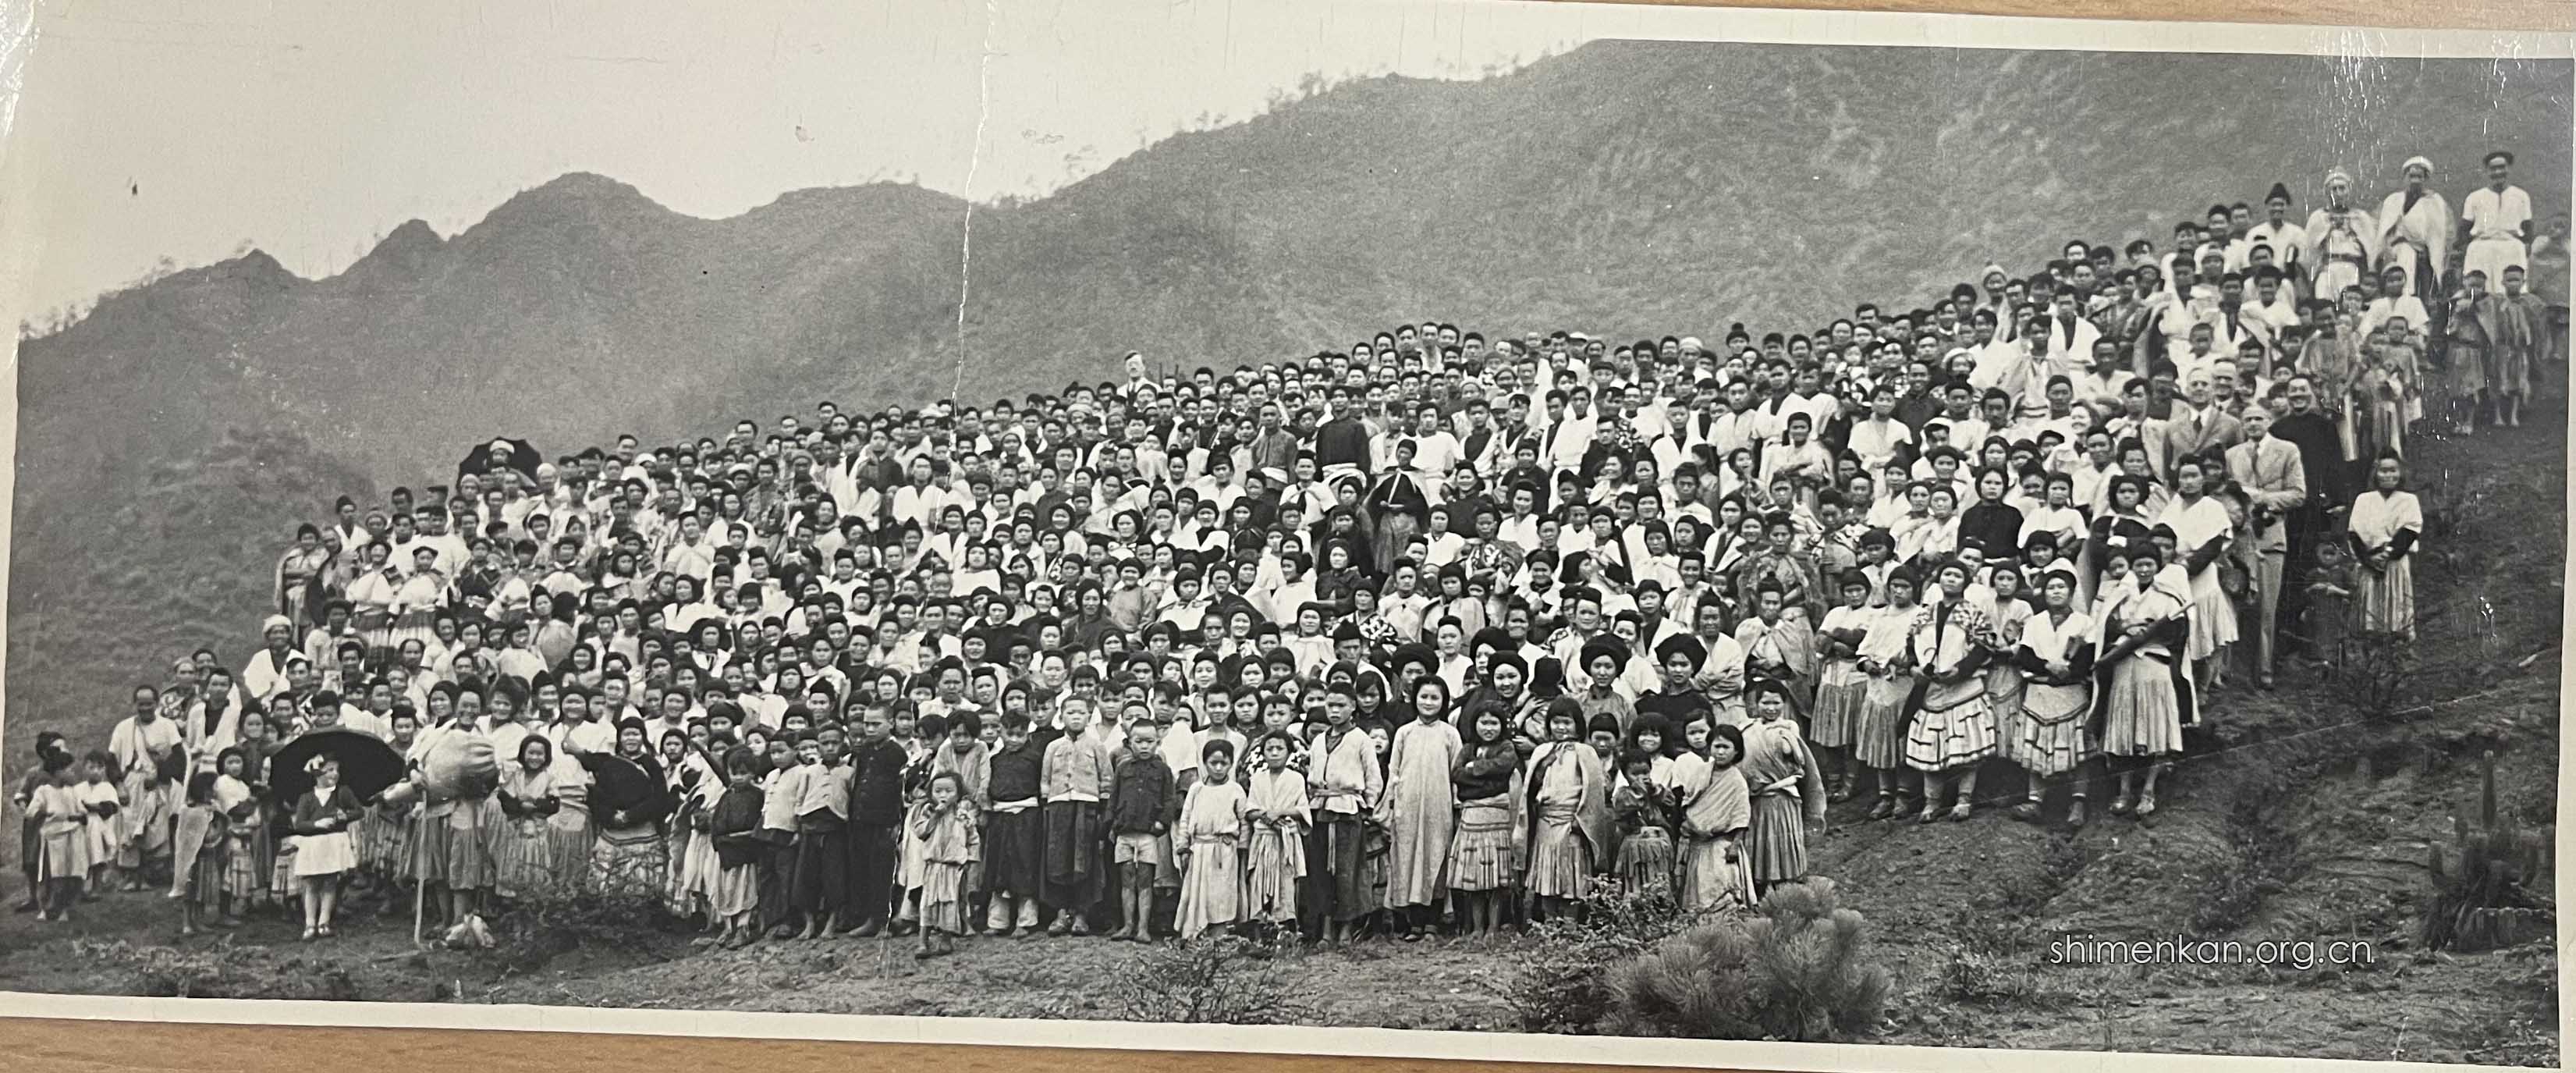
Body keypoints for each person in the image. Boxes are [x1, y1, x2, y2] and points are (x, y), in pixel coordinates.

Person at [2092, 527, 2192, 817]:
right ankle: (2124, 791)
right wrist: (2126, 627)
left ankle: (2148, 791)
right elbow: (2105, 627)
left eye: (2149, 564)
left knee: (2156, 728)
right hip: (2125, 666)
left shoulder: (2169, 596)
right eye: (2139, 565)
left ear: (2157, 566)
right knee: (2124, 727)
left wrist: (2152, 631)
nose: (2144, 569)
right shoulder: (2121, 595)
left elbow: (2179, 633)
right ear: (2132, 567)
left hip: (2154, 665)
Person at [2011, 567, 2097, 825]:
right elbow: (2025, 655)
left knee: (2077, 749)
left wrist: (2069, 670)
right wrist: (2048, 666)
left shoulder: (2084, 622)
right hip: (2040, 691)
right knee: (2037, 746)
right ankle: (2035, 801)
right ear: (2044, 593)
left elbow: (2089, 657)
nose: (2056, 592)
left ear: (2070, 593)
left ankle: (2078, 803)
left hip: (2071, 692)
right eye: (2051, 587)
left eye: (2061, 587)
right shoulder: (2035, 622)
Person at [1381, 676, 1460, 939]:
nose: (1428, 702)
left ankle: (1433, 923)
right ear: (1414, 699)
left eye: (1434, 698)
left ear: (1443, 702)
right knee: (1408, 859)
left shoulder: (1450, 734)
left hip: (1439, 808)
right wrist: (1392, 806)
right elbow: (1394, 772)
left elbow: (1456, 773)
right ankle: (1414, 922)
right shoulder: (1404, 733)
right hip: (1409, 807)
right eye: (1423, 697)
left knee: (1436, 858)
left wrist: (1456, 805)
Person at [1520, 698, 1608, 921]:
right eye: (1556, 722)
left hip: (1572, 823)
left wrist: (1582, 820)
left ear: (1578, 725)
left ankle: (1570, 925)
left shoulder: (1586, 753)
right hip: (1546, 822)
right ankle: (1549, 924)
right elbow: (1531, 788)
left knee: (1572, 879)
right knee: (1547, 877)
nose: (1561, 727)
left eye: (1567, 722)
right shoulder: (1542, 751)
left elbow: (1594, 793)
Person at [1739, 680, 1825, 894]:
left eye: (1776, 703)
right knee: (1761, 845)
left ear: (1784, 704)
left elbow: (1799, 760)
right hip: (1758, 799)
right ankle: (1759, 892)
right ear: (1756, 703)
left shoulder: (1789, 727)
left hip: (1784, 798)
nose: (1771, 708)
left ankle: (1786, 892)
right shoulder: (1747, 729)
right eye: (1765, 703)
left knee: (1784, 843)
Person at [1445, 709, 1519, 936]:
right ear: (1474, 724)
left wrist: (1475, 769)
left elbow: (1504, 767)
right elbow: (1456, 774)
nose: (1488, 728)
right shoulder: (1468, 748)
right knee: (1474, 875)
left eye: (1494, 723)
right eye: (1483, 722)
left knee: (1497, 877)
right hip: (1473, 818)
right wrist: (1488, 782)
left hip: (1497, 818)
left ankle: (1493, 927)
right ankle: (1477, 928)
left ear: (1502, 725)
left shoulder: (1506, 747)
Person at [1106, 719, 1173, 943]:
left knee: (1145, 881)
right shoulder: (1123, 768)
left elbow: (1169, 799)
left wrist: (1161, 823)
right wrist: (1111, 825)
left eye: (1149, 741)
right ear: (1129, 742)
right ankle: (1127, 925)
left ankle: (1143, 928)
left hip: (1148, 835)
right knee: (1126, 881)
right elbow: (1113, 798)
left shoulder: (1163, 770)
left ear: (1158, 742)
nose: (1144, 746)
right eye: (1139, 741)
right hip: (1124, 833)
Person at [1173, 739, 1247, 940]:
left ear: (1231, 764)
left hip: (1225, 850)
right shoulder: (1196, 789)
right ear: (1205, 763)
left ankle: (1219, 932)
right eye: (1213, 763)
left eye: (1224, 763)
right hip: (1199, 849)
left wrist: (1242, 848)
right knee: (1197, 891)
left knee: (1221, 892)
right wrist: (1183, 845)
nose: (1218, 768)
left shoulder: (1236, 790)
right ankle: (1195, 931)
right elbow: (1186, 818)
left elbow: (1244, 822)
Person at [2347, 451, 2423, 643]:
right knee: (2370, 618)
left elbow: (2410, 530)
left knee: (2396, 614)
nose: (2388, 475)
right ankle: (2371, 644)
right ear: (2376, 473)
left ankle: (2397, 644)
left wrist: (2388, 553)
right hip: (2370, 562)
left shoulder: (2409, 500)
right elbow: (2355, 533)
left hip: (2395, 561)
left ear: (2400, 472)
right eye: (2383, 471)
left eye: (2393, 470)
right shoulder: (2364, 500)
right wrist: (2369, 559)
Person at [1242, 730, 1311, 936]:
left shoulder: (1296, 779)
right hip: (1263, 839)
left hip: (1285, 840)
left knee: (1286, 885)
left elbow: (1302, 810)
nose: (1274, 753)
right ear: (1262, 753)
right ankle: (1261, 935)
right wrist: (1265, 816)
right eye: (1269, 749)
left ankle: (1286, 933)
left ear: (1289, 752)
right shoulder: (1257, 779)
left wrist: (1280, 812)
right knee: (1259, 884)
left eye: (1279, 749)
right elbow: (1250, 810)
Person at [289, 755, 362, 940]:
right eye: (329, 770)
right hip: (314, 844)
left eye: (337, 770)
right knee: (312, 884)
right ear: (317, 773)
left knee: (330, 883)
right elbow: (300, 824)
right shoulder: (307, 798)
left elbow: (359, 811)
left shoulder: (343, 793)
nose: (335, 774)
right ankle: (310, 923)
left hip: (334, 842)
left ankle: (324, 921)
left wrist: (345, 816)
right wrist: (317, 824)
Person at [910, 770, 978, 959]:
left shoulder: (963, 816)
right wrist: (935, 816)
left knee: (950, 903)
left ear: (958, 794)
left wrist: (970, 859)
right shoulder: (928, 813)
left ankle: (946, 939)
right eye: (938, 791)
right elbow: (921, 832)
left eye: (949, 791)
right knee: (928, 903)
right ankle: (923, 942)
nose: (943, 795)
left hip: (953, 868)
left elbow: (973, 840)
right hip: (934, 867)